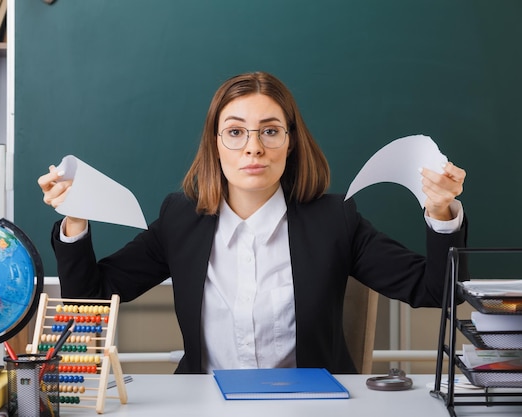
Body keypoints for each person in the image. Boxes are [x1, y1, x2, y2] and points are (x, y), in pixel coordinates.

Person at [38, 71, 467, 374]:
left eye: (270, 131)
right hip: (204, 404)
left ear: (290, 142)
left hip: (313, 408)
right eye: (236, 131)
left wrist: (441, 212)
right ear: (216, 143)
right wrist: (76, 216)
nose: (254, 148)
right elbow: (88, 298)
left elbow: (437, 292)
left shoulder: (335, 220)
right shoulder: (180, 219)